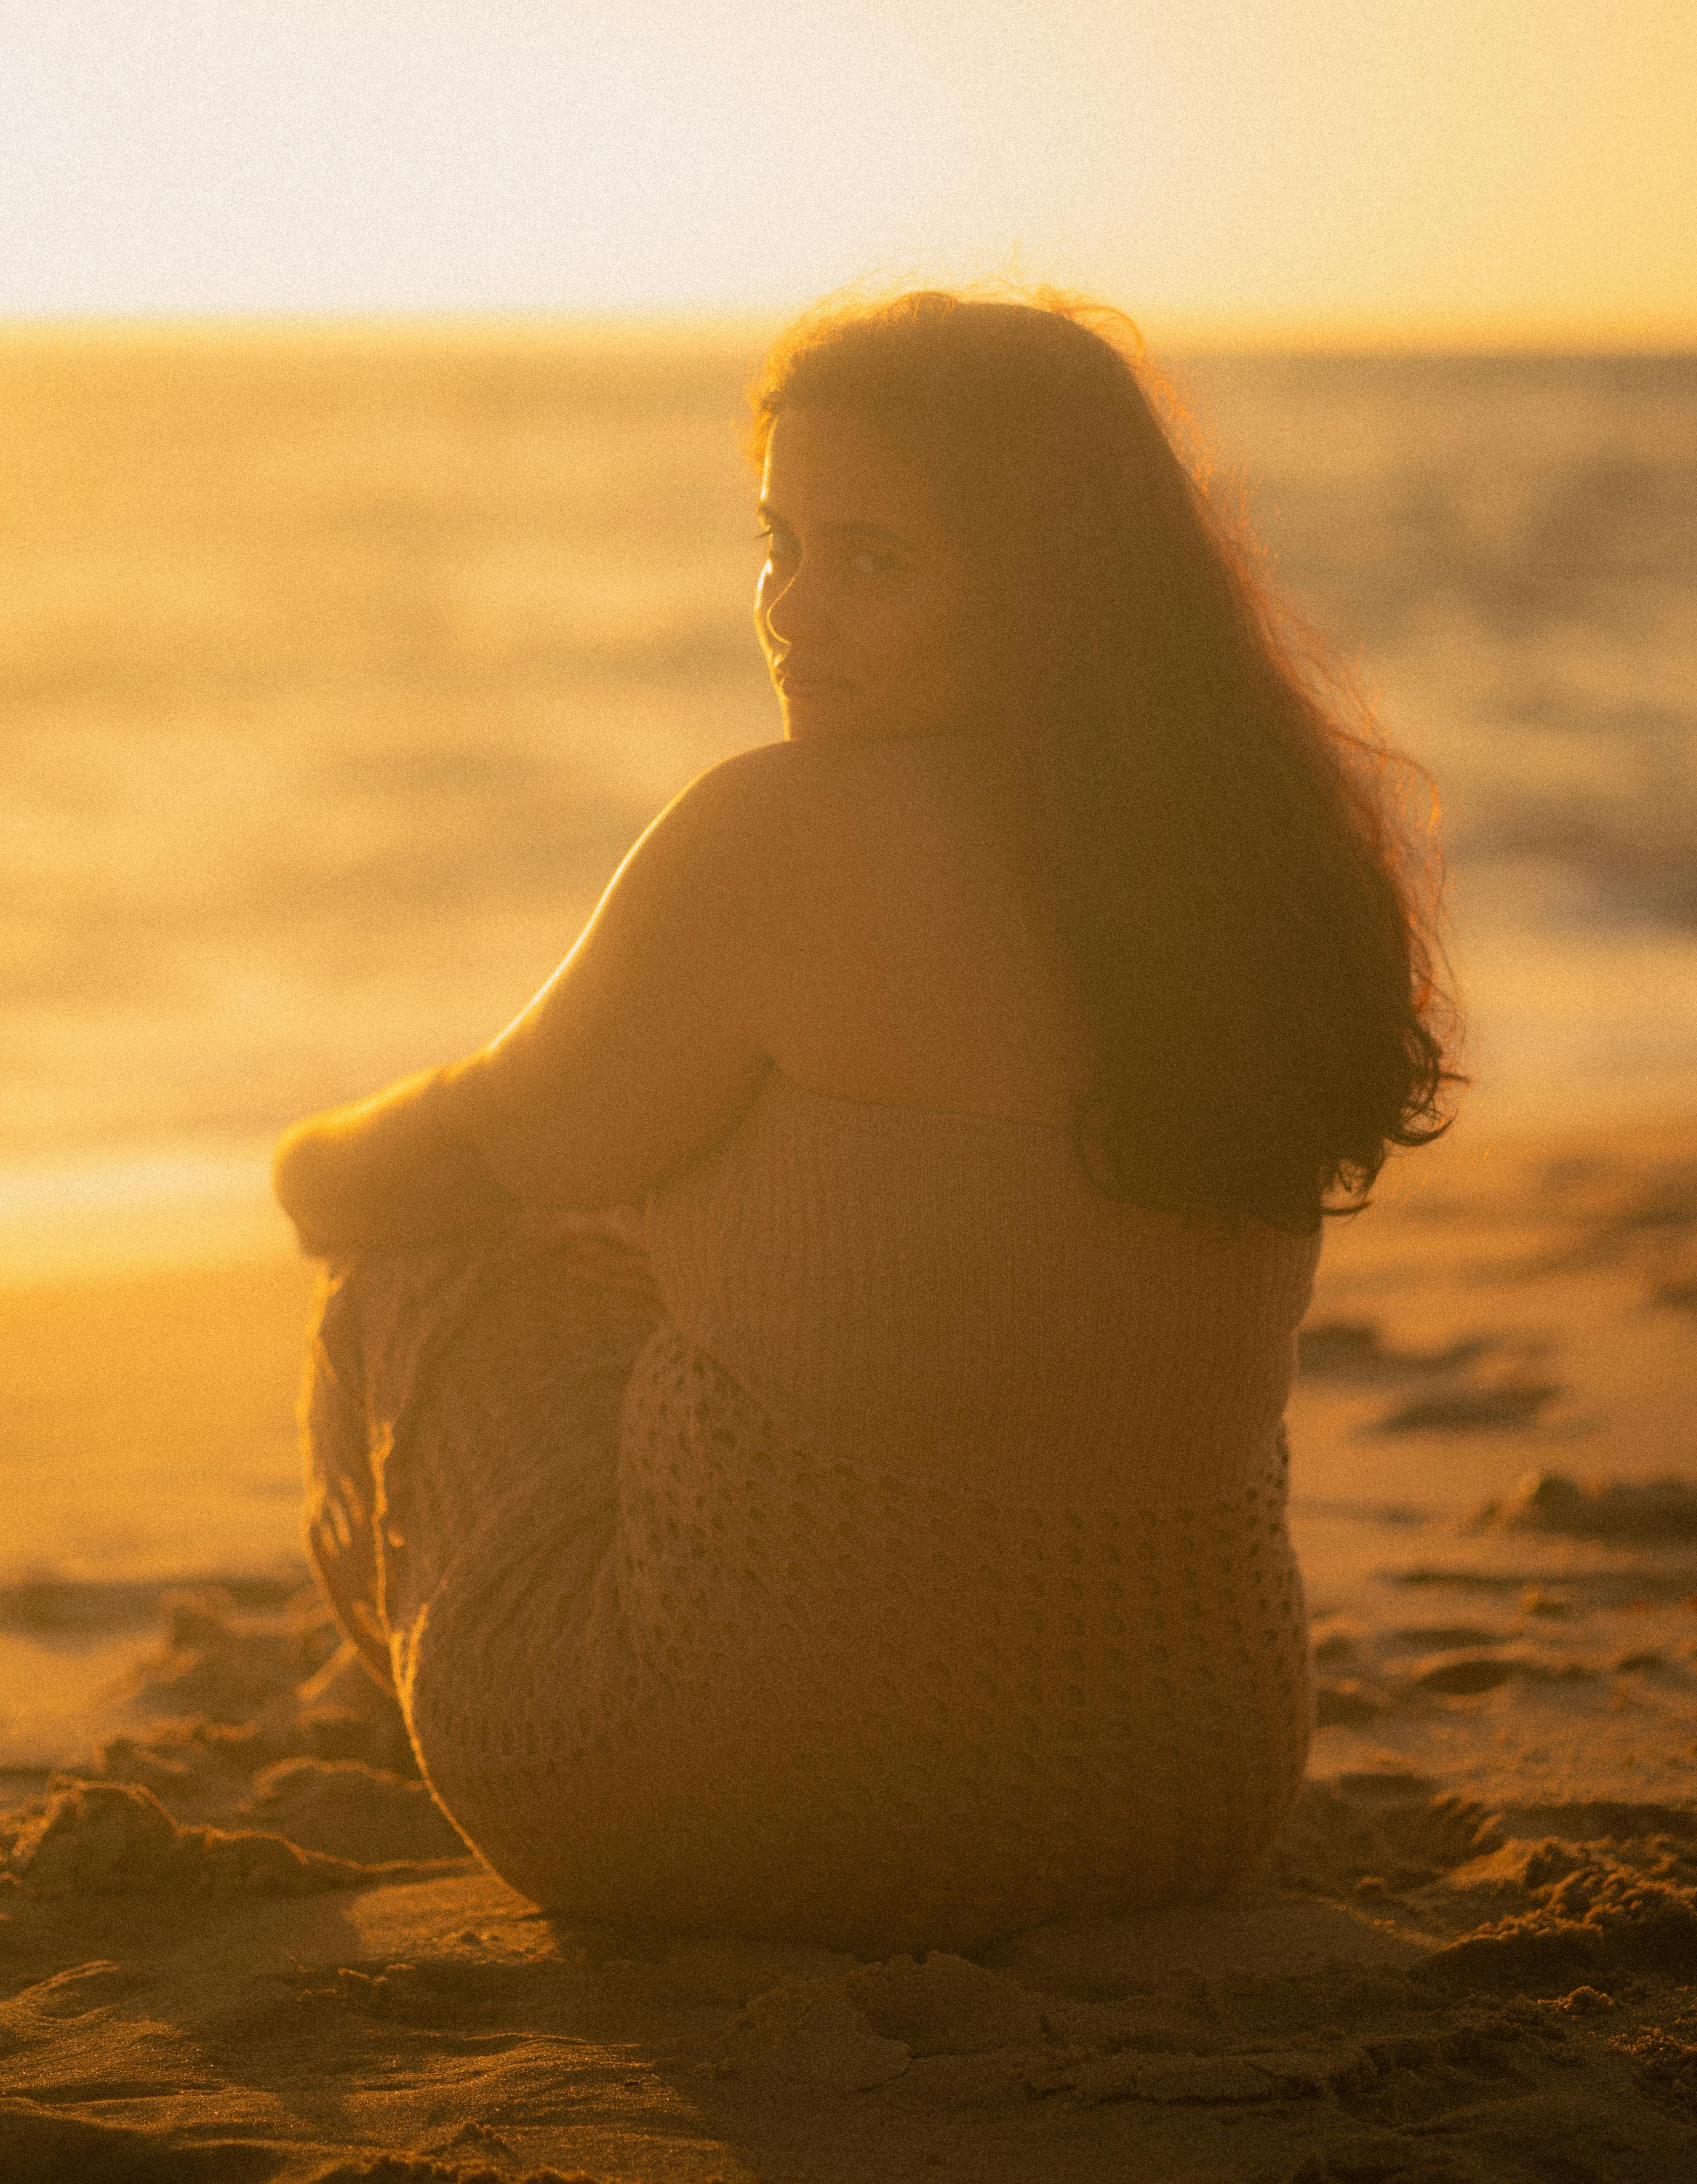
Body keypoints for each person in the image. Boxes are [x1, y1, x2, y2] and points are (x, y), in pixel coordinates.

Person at [275, 288, 1454, 1955]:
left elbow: (478, 1146)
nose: (794, 616)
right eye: (781, 546)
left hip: (739, 1794)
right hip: (1187, 1788)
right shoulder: (1262, 874)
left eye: (873, 561)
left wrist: (305, 1168)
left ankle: (375, 1667)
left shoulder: (785, 832)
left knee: (431, 1258)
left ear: (1043, 592)